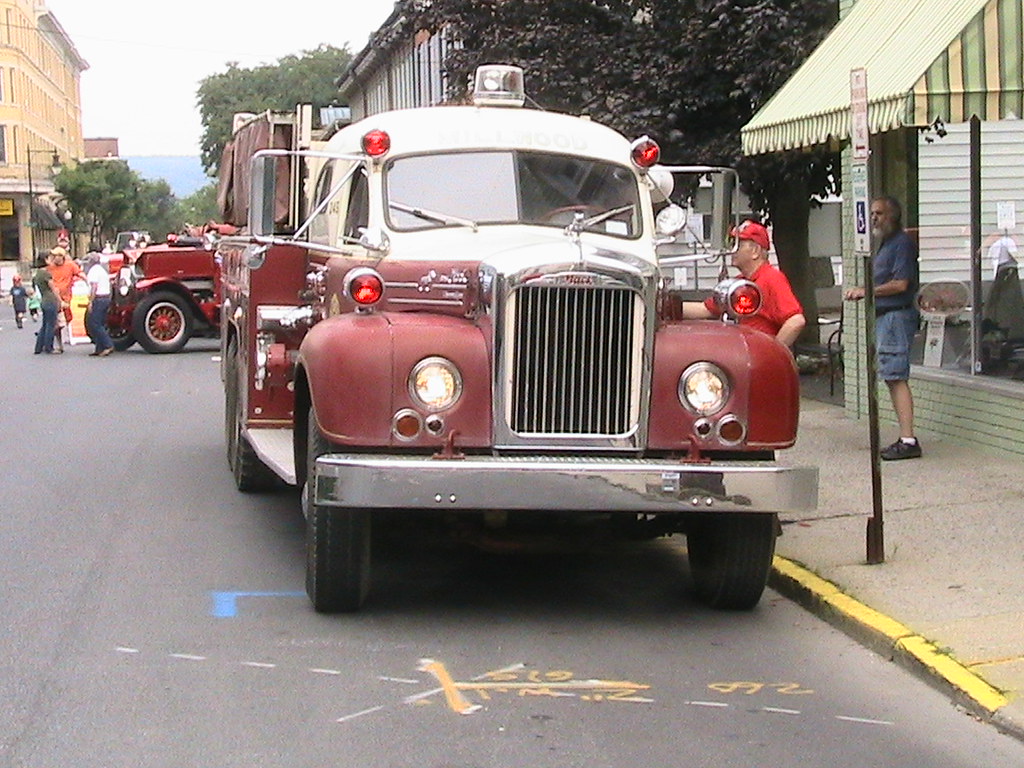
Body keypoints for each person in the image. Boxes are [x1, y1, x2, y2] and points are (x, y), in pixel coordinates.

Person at [843, 196, 922, 460]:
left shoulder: (901, 244)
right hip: (885, 317)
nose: (874, 218)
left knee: (896, 376)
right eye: (872, 213)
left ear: (892, 216)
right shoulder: (885, 244)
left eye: (879, 213)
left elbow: (901, 284)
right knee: (890, 375)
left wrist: (866, 291)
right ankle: (905, 437)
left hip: (896, 316)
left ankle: (908, 440)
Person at [682, 219, 806, 348]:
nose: (732, 249)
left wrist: (773, 352)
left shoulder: (772, 278)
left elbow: (795, 321)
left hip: (758, 360)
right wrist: (666, 306)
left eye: (738, 244)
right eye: (732, 244)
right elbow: (706, 309)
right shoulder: (739, 282)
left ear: (755, 251)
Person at [46, 246, 87, 353]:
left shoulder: (70, 265)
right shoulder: (50, 268)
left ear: (62, 257)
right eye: (54, 256)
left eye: (58, 256)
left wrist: (87, 281)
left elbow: (79, 273)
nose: (56, 258)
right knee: (57, 322)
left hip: (67, 298)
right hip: (55, 298)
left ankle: (65, 337)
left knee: (68, 318)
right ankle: (59, 344)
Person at [85, 253, 115, 356]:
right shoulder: (102, 270)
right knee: (100, 323)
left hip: (99, 298)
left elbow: (94, 287)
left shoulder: (93, 271)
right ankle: (99, 348)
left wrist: (90, 301)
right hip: (106, 298)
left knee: (95, 324)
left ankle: (108, 345)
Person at [32, 254, 60, 354]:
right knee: (50, 325)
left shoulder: (38, 274)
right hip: (50, 300)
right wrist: (60, 300)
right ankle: (49, 347)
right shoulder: (46, 274)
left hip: (44, 300)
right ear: (45, 260)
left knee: (45, 324)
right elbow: (53, 288)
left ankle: (39, 347)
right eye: (49, 258)